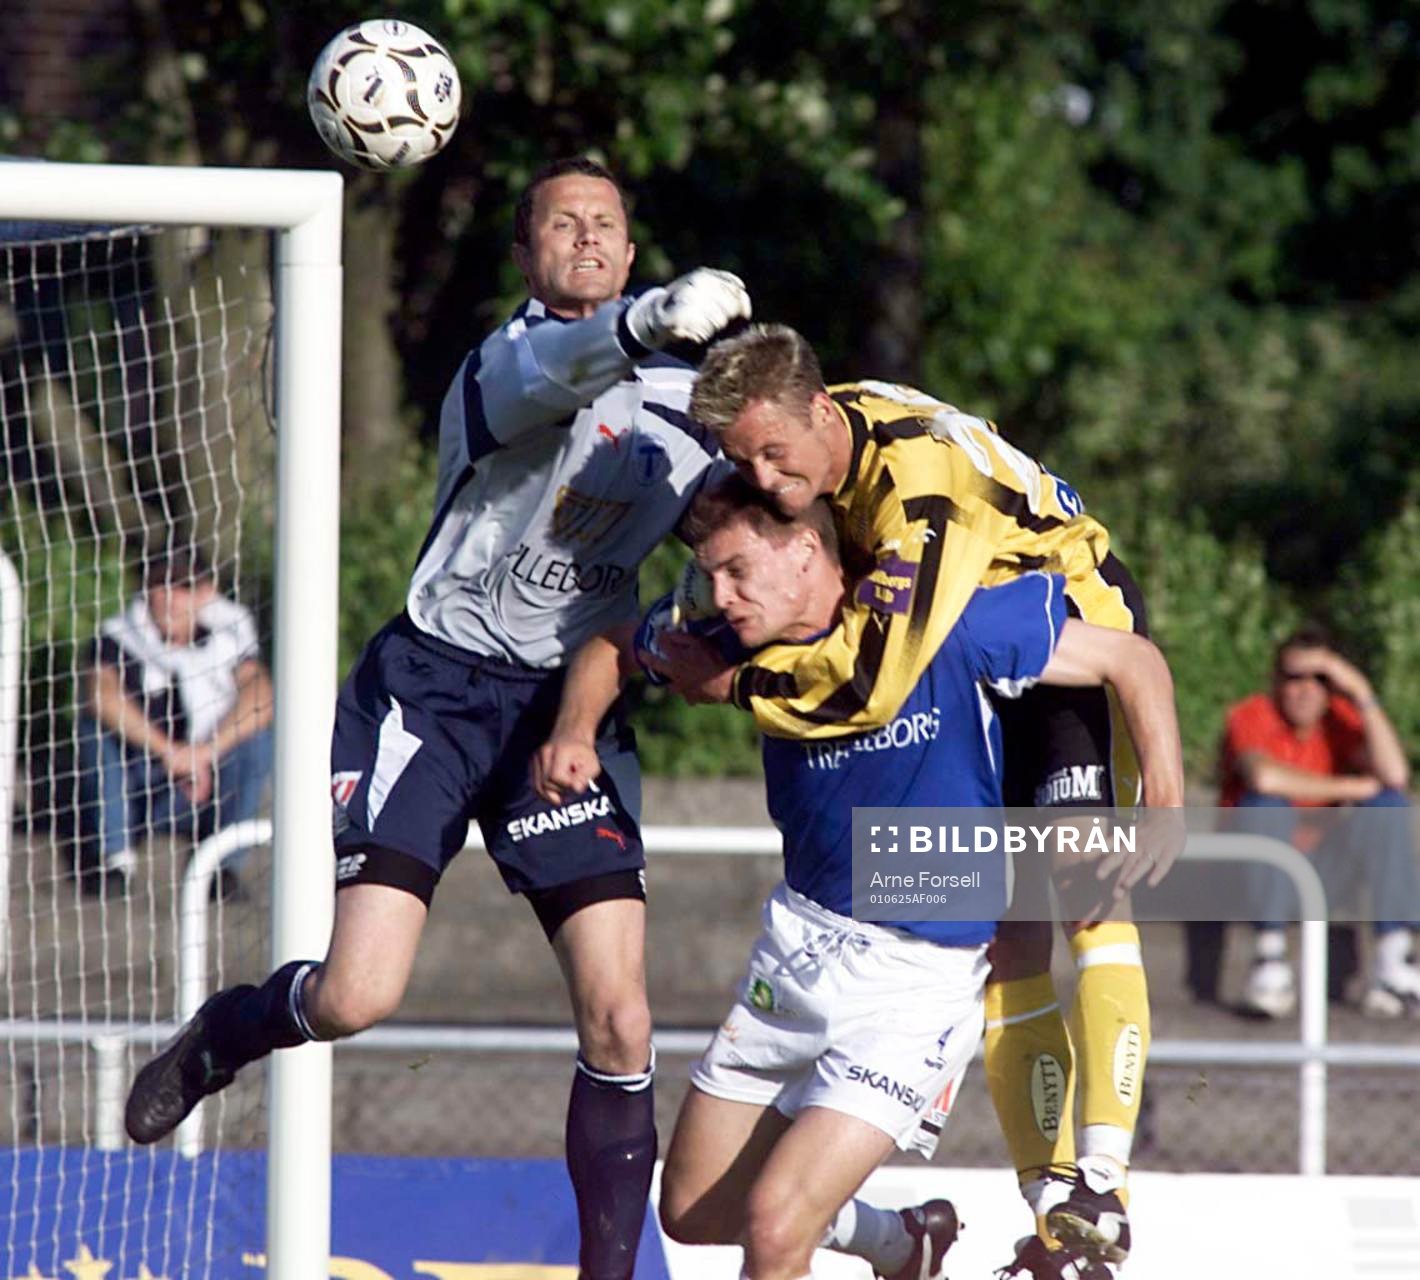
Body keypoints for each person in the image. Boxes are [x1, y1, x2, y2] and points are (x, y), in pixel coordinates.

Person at [123, 157, 751, 1280]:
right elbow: (562, 367)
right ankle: (231, 1029)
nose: (588, 239)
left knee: (622, 1019)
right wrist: (653, 318)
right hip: (432, 692)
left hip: (565, 706)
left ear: (631, 243)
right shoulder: (507, 361)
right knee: (358, 994)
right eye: (562, 223)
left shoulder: (683, 408)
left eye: (607, 225)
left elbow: (753, 509)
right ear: (526, 254)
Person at [532, 476, 1184, 1280]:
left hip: (912, 984)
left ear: (806, 547)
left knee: (775, 1232)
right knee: (696, 1208)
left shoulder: (945, 621)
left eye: (736, 570)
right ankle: (899, 1242)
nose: (720, 594)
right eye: (711, 574)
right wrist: (573, 729)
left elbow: (1130, 657)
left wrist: (1165, 797)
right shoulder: (731, 636)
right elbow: (610, 645)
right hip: (796, 954)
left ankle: (1093, 1179)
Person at [1215, 624, 1420, 1019]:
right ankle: (1269, 962)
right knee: (1264, 806)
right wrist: (1353, 787)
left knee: (1388, 805)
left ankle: (1395, 961)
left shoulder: (1340, 718)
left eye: (1320, 678)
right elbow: (1264, 777)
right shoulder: (1250, 714)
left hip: (1322, 873)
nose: (1306, 689)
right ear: (1277, 680)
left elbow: (1395, 776)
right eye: (1295, 677)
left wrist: (1362, 693)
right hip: (1256, 875)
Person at [76, 547, 273, 899]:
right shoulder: (117, 637)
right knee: (96, 729)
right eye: (159, 585)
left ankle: (223, 867)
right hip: (141, 784)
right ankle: (115, 860)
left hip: (205, 783)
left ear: (205, 592)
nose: (170, 599)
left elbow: (260, 695)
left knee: (258, 739)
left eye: (183, 586)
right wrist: (169, 752)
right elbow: (101, 695)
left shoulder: (228, 637)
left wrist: (205, 752)